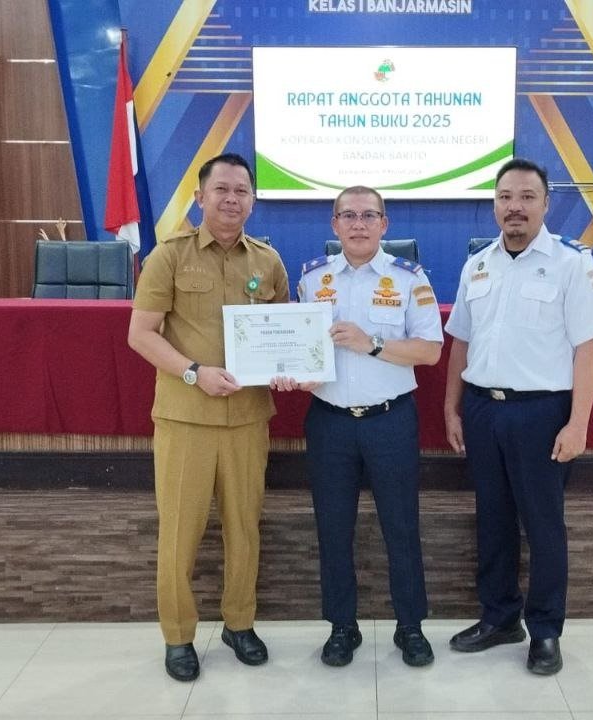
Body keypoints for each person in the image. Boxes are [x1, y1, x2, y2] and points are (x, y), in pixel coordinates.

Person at [442, 158, 593, 676]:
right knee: (492, 519)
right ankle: (499, 618)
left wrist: (578, 423)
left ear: (546, 203)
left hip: (541, 413)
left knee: (543, 526)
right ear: (494, 204)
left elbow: (588, 347)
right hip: (482, 410)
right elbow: (460, 342)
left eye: (526, 197)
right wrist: (451, 407)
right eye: (505, 197)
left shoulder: (570, 264)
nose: (514, 207)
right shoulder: (477, 265)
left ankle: (544, 630)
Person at [127, 152, 289, 683]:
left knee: (245, 529)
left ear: (253, 201)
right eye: (221, 189)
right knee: (180, 532)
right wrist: (194, 373)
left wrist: (289, 368)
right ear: (199, 197)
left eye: (242, 191)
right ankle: (178, 635)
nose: (231, 199)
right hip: (186, 418)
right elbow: (141, 334)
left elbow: (283, 336)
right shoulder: (169, 256)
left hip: (247, 420)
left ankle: (239, 624)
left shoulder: (268, 261)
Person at [282, 186, 443, 668]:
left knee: (401, 527)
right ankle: (341, 627)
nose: (358, 224)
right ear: (334, 224)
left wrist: (371, 343)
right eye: (348, 215)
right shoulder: (312, 278)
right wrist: (294, 371)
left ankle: (410, 627)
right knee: (333, 528)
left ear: (384, 224)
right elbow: (302, 348)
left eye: (369, 215)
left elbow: (430, 351)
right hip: (329, 423)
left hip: (389, 420)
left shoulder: (409, 278)